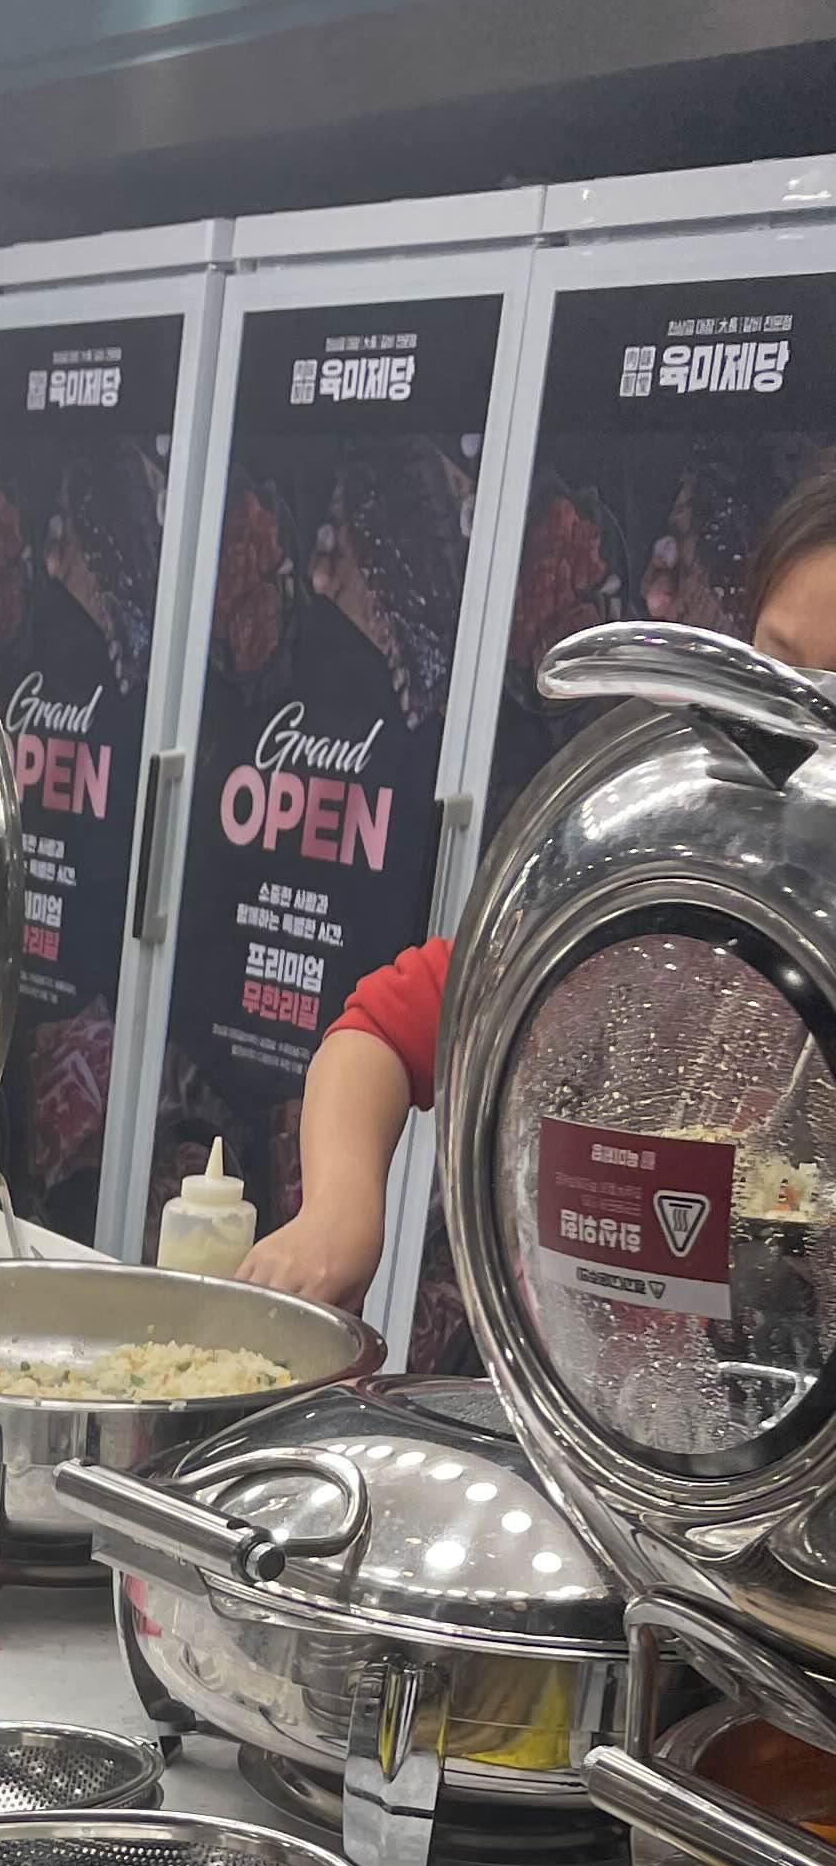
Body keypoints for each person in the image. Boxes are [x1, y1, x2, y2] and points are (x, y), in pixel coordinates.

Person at [241, 456, 836, 1310]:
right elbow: (381, 1032)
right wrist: (337, 1214)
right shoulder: (647, 895)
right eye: (773, 669)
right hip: (553, 1372)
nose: (794, 729)